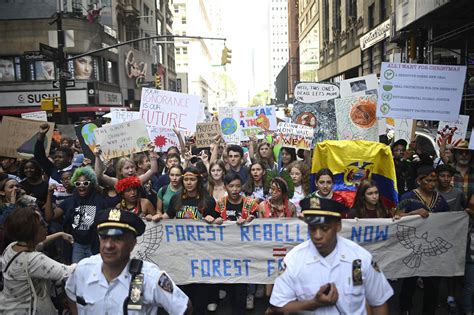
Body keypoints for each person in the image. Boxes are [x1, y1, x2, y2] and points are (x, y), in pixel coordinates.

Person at [269, 197, 393, 314]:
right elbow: (279, 306)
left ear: (338, 225)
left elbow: (379, 302)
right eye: (312, 229)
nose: (317, 235)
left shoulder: (359, 258)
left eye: (324, 228)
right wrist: (314, 303)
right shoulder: (294, 260)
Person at [65, 208, 192, 314]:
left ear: (133, 243)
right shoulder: (83, 270)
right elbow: (71, 295)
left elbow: (184, 308)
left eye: (117, 238)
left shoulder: (150, 277)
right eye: (104, 237)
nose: (108, 245)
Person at [0, 206, 76, 314]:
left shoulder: (12, 247)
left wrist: (60, 234)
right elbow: (68, 271)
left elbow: (39, 244)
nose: (46, 225)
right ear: (31, 231)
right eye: (41, 224)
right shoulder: (33, 260)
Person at [396, 165, 449, 315]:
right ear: (419, 181)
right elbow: (396, 217)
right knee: (409, 282)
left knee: (432, 285)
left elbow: (448, 221)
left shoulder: (440, 200)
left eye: (434, 181)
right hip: (411, 248)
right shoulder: (407, 198)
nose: (433, 184)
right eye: (428, 180)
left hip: (432, 250)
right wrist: (414, 213)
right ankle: (405, 308)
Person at [212, 173, 258, 313]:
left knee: (241, 287)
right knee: (230, 287)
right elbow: (212, 222)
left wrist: (252, 219)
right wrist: (215, 220)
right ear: (225, 187)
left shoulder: (250, 203)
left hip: (244, 251)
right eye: (231, 186)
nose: (235, 189)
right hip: (225, 251)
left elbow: (260, 222)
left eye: (238, 186)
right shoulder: (220, 204)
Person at [47, 167, 110, 263]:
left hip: (96, 245)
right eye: (78, 183)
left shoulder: (100, 201)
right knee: (77, 272)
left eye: (85, 183)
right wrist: (49, 195)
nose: (81, 186)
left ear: (91, 184)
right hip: (77, 245)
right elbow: (49, 216)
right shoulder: (70, 201)